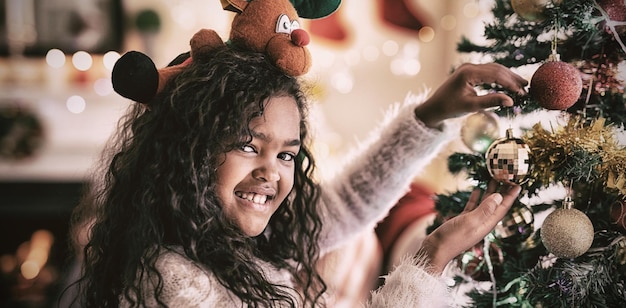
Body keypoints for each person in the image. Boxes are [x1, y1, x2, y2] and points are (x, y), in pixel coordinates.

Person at [65, 45, 526, 307]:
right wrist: (428, 262)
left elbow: (347, 203)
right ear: (187, 152)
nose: (271, 172)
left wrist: (429, 115)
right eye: (248, 145)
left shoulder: (227, 243)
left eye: (287, 154)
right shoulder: (174, 286)